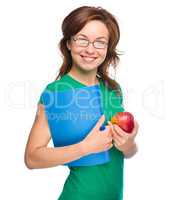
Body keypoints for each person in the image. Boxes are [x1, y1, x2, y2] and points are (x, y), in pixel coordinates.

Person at [24, 6, 139, 200]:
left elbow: (127, 153)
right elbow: (32, 158)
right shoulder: (56, 92)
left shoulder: (113, 89)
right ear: (69, 43)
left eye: (100, 42)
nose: (90, 49)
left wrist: (128, 144)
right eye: (82, 39)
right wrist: (84, 148)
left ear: (108, 47)